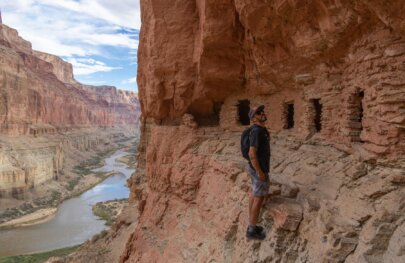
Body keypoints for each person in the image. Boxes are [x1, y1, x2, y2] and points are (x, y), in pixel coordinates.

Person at [245, 105, 270, 240]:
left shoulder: (260, 130)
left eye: (262, 111)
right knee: (259, 197)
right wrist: (260, 172)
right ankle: (252, 230)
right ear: (254, 118)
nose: (263, 113)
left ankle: (251, 224)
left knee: (254, 193)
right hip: (258, 168)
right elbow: (252, 153)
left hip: (254, 167)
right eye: (259, 113)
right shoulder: (257, 131)